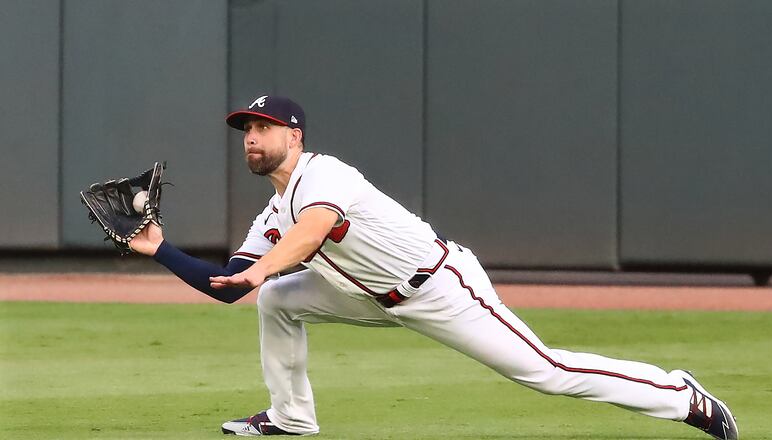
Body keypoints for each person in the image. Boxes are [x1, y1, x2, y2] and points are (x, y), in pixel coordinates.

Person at [130, 94, 738, 439]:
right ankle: (291, 419)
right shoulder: (272, 209)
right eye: (245, 132)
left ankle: (680, 393)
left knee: (544, 372)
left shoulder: (326, 173)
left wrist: (263, 270)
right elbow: (228, 285)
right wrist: (160, 248)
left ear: (295, 134)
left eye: (263, 128)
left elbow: (313, 230)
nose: (251, 139)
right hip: (367, 294)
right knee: (275, 300)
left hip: (440, 288)